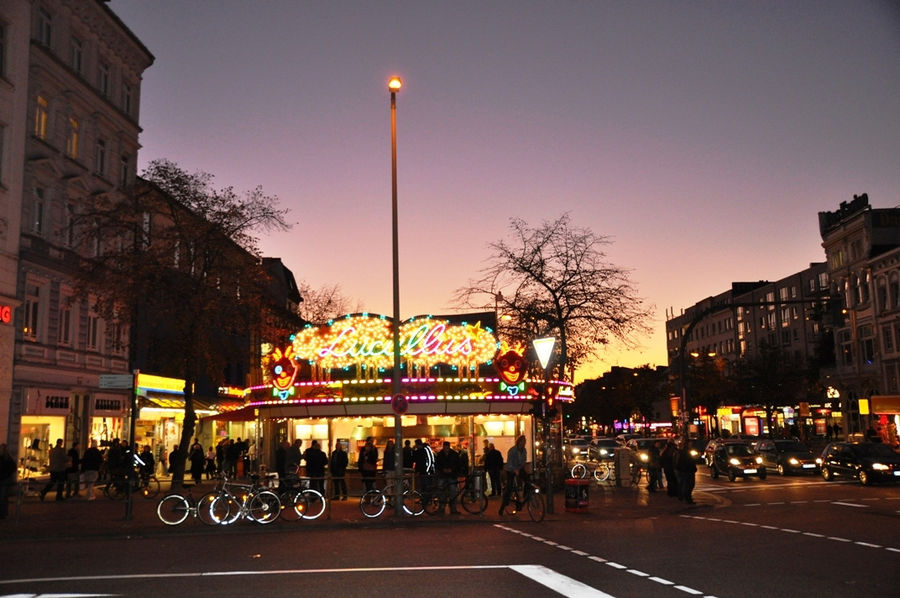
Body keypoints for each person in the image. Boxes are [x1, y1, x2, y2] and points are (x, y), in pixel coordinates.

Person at [499, 435, 529, 515]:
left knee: (528, 480)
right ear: (519, 442)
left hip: (519, 468)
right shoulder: (512, 451)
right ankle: (502, 507)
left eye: (525, 442)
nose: (524, 443)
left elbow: (524, 461)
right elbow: (509, 464)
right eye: (523, 441)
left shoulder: (524, 450)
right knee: (509, 487)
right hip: (511, 470)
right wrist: (514, 469)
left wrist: (521, 468)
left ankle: (524, 498)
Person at [435, 441, 461, 514]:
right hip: (445, 475)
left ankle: (450, 508)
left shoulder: (442, 454)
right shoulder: (451, 454)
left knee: (451, 492)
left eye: (447, 447)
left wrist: (450, 469)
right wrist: (446, 469)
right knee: (443, 491)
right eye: (445, 447)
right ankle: (445, 508)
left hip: (449, 475)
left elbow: (457, 464)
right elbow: (437, 464)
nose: (446, 449)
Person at [675, 438, 697, 504]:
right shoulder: (684, 451)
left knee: (688, 484)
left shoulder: (685, 451)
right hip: (686, 470)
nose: (691, 444)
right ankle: (687, 498)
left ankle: (684, 497)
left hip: (688, 470)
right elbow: (685, 461)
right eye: (690, 443)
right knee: (688, 485)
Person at [0, 443, 16, 519]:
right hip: (4, 479)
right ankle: (3, 512)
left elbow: (12, 468)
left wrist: (6, 475)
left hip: (4, 480)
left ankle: (3, 513)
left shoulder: (7, 459)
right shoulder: (7, 458)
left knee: (3, 497)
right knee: (3, 497)